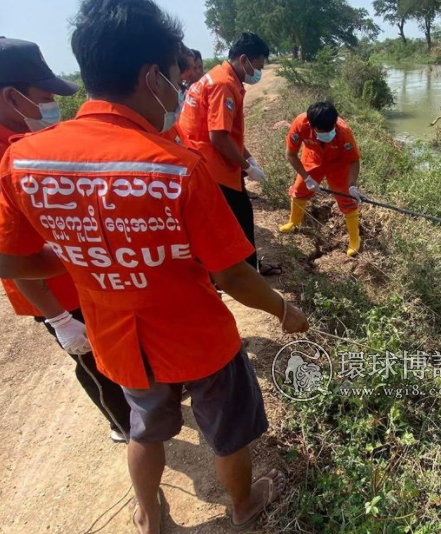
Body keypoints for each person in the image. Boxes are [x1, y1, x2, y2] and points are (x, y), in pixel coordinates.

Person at [0, 2, 309, 534]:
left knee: (145, 430)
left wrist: (77, 257)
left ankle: (149, 515)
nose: (179, 87)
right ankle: (244, 505)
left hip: (118, 336)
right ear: (151, 75)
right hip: (197, 337)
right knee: (229, 431)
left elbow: (7, 257)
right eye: (173, 74)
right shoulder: (174, 168)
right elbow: (232, 276)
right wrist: (283, 310)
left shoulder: (24, 160)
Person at [0, 36, 131, 443]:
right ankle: (124, 426)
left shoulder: (28, 138)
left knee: (115, 344)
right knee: (92, 359)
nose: (50, 107)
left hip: (82, 272)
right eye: (43, 97)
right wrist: (58, 318)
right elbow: (9, 256)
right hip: (52, 289)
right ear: (11, 96)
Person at [178, 32, 282, 276]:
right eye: (258, 65)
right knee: (239, 219)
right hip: (211, 167)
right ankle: (245, 275)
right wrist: (247, 167)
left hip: (205, 163)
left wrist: (249, 158)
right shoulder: (223, 85)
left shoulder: (219, 77)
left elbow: (230, 131)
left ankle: (246, 269)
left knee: (236, 217)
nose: (259, 72)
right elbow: (218, 137)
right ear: (244, 60)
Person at [280, 101, 365, 257]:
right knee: (299, 190)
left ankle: (354, 240)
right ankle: (294, 222)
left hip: (338, 164)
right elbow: (290, 154)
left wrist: (352, 186)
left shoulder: (344, 132)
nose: (328, 133)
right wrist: (306, 178)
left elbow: (354, 160)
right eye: (322, 131)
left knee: (347, 199)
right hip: (312, 158)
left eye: (330, 130)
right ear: (312, 125)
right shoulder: (300, 124)